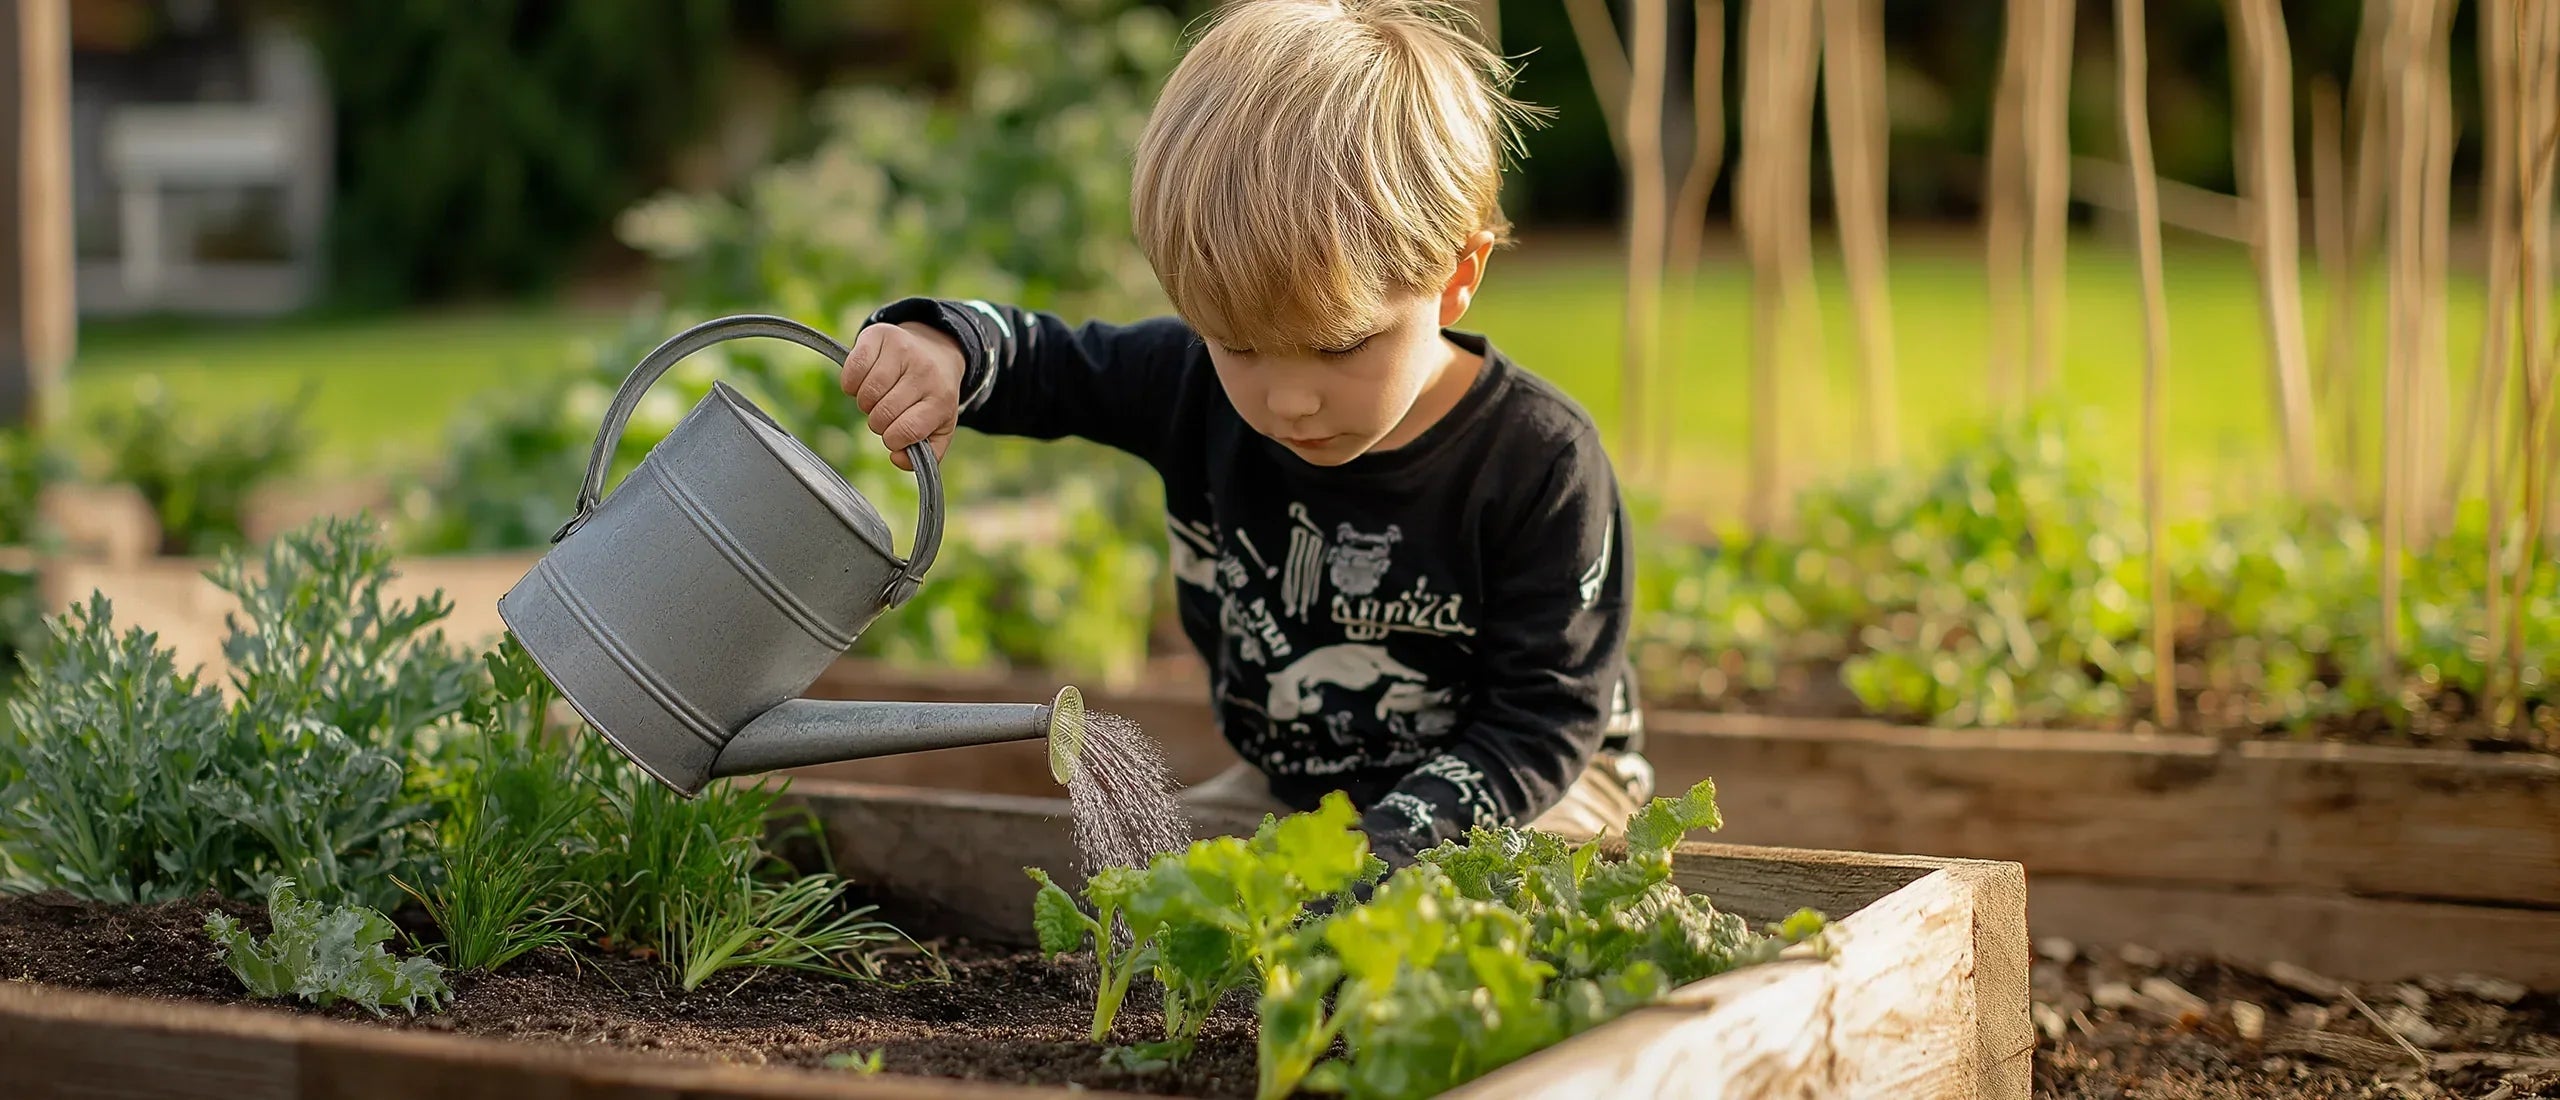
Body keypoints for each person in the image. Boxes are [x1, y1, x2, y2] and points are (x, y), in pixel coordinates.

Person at [835, 0, 1649, 866]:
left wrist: (1384, 851)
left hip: (1534, 789)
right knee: (1135, 874)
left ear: (1456, 277)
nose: (1289, 400)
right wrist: (945, 348)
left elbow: (1540, 725)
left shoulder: (1540, 464)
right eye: (1240, 346)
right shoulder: (1188, 387)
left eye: (1341, 347)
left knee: (1506, 894)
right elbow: (1047, 363)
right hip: (1297, 792)